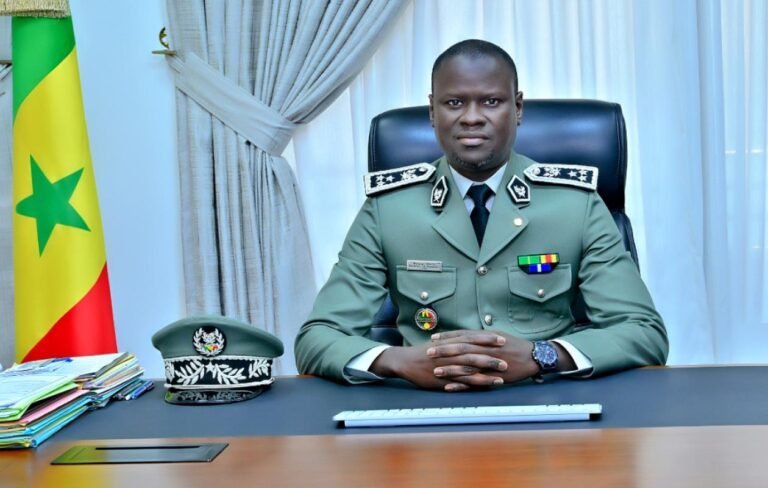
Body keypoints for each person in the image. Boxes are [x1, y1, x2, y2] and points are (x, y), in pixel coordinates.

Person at [294, 39, 668, 392]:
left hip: (546, 402)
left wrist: (542, 356)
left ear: (517, 108)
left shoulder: (575, 204)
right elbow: (317, 338)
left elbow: (643, 331)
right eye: (454, 103)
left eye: (491, 101)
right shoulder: (388, 208)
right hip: (425, 405)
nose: (472, 118)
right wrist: (400, 361)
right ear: (432, 111)